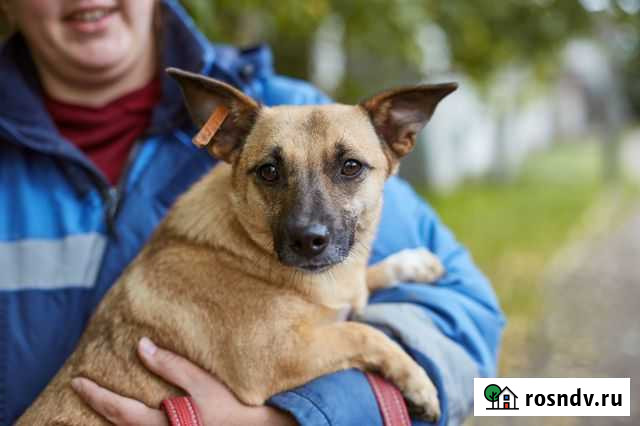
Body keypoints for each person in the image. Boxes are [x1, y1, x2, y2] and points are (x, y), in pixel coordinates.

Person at [0, 0, 505, 424]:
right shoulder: (253, 133)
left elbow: (470, 320)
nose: (310, 222)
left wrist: (296, 418)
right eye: (269, 174)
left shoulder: (314, 119)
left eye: (348, 169)